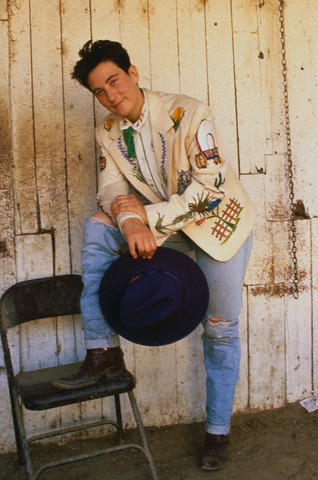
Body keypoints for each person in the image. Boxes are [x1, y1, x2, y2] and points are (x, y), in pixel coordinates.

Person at [53, 39, 256, 471]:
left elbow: (212, 191)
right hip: (167, 229)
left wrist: (143, 215)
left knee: (220, 330)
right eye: (99, 92)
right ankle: (101, 351)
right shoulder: (106, 130)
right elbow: (110, 188)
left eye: (115, 80)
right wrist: (127, 220)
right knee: (97, 224)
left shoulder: (190, 112)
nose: (111, 95)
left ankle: (217, 432)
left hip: (218, 227)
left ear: (134, 73)